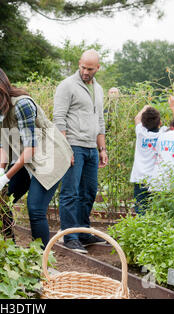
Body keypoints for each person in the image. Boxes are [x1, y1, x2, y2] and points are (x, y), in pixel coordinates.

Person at [0, 65, 73, 248]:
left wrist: (7, 177)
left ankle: (41, 261)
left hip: (50, 157)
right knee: (1, 200)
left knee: (35, 208)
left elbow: (30, 148)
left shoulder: (22, 104)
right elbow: (3, 143)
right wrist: (0, 170)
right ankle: (8, 249)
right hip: (28, 159)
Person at [53, 49, 108, 254]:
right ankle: (70, 237)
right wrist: (66, 149)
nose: (85, 71)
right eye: (83, 67)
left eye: (90, 68)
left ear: (97, 68)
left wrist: (101, 148)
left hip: (91, 148)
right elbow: (59, 118)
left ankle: (83, 232)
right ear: (79, 64)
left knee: (89, 192)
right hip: (73, 145)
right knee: (70, 192)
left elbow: (100, 121)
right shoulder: (67, 85)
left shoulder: (99, 89)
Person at [130, 96, 174, 215]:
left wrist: (146, 107)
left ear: (143, 122)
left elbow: (137, 118)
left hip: (139, 177)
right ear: (160, 123)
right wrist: (173, 107)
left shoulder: (140, 132)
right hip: (156, 179)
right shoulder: (164, 134)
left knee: (141, 208)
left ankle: (142, 230)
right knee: (155, 208)